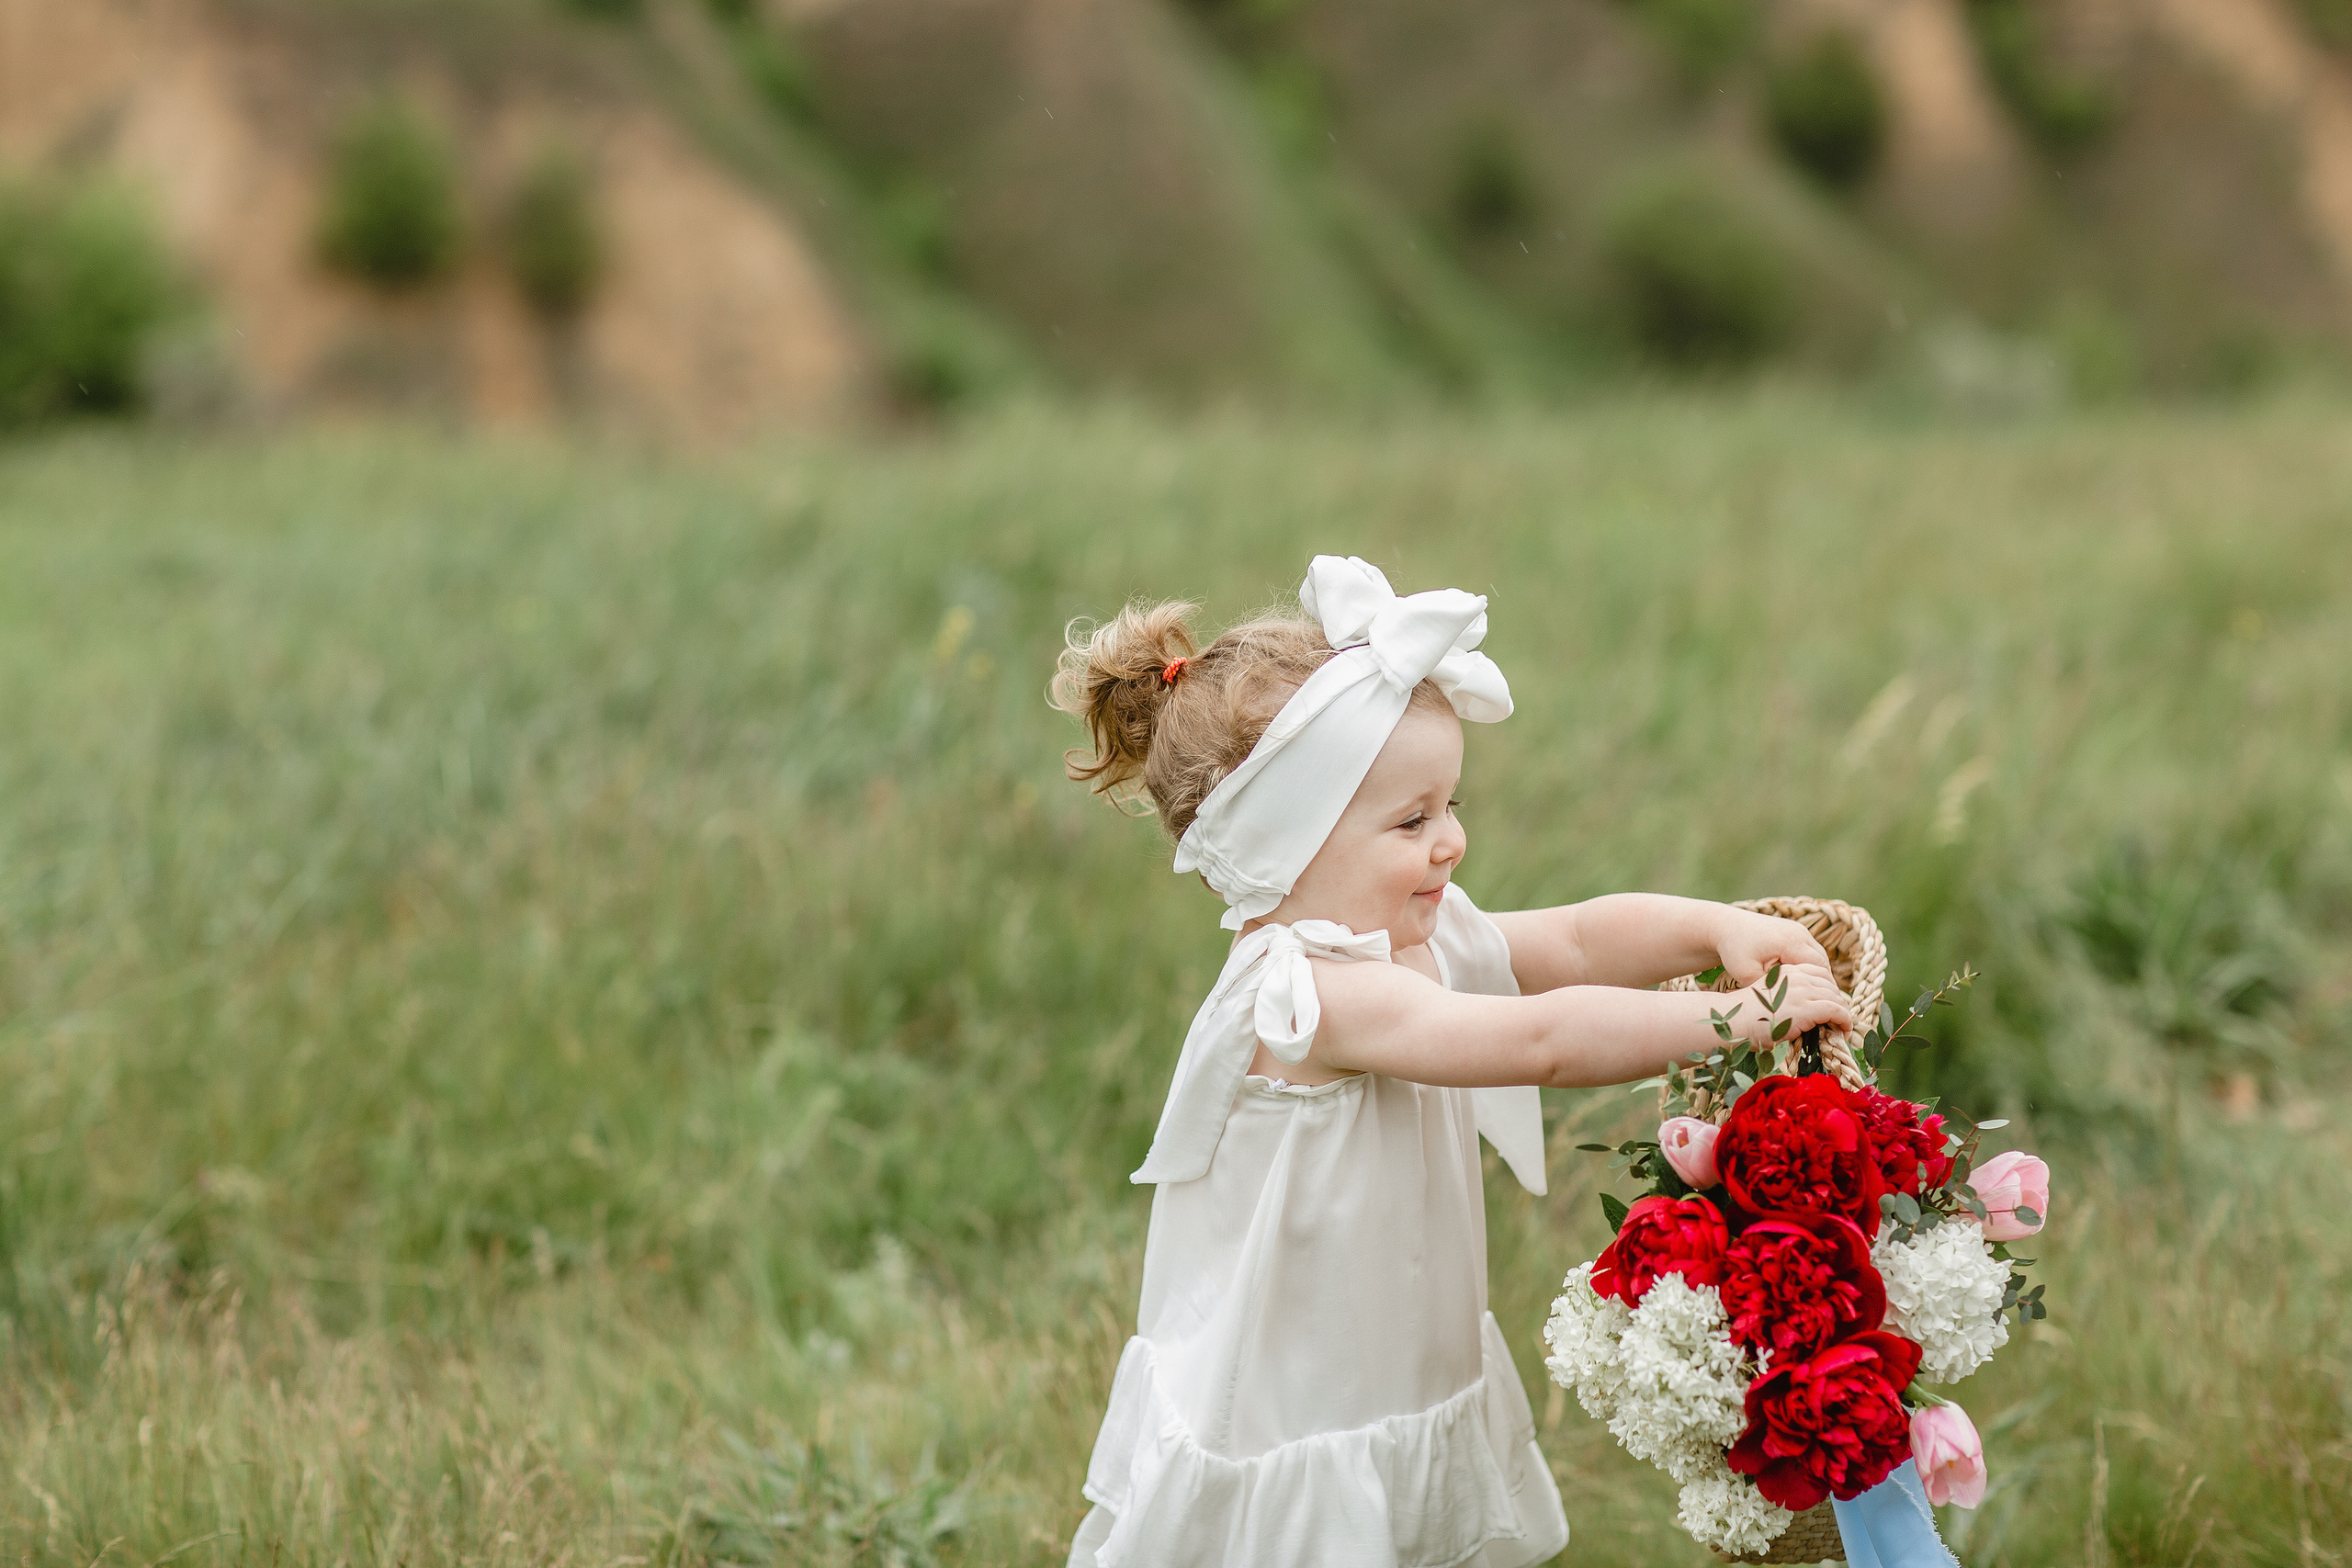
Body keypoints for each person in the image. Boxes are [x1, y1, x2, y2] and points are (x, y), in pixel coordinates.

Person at [1051, 556, 1854, 1568]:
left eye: (1452, 805)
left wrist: (1712, 930)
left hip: (1397, 1357)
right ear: (1284, 844)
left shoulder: (1405, 938)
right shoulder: (1310, 990)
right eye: (1411, 820)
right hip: (1302, 1395)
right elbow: (1542, 1040)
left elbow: (1572, 943)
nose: (1451, 843)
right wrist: (1744, 1017)